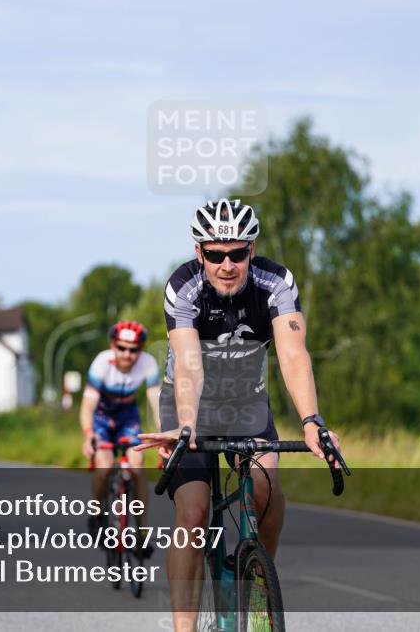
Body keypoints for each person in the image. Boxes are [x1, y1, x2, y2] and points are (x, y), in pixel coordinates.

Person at [137, 198, 342, 632]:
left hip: (246, 401)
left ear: (253, 249)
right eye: (215, 255)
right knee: (194, 513)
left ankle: (258, 579)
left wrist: (312, 421)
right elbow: (188, 363)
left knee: (265, 485)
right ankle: (184, 628)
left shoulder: (276, 282)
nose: (227, 265)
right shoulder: (183, 286)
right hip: (189, 403)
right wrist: (186, 426)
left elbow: (293, 354)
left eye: (237, 253)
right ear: (199, 253)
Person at [79, 321, 161, 537]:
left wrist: (162, 436)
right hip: (101, 417)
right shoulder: (101, 363)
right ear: (113, 345)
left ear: (140, 349)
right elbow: (87, 406)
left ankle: (141, 531)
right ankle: (97, 512)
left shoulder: (148, 363)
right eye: (122, 348)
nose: (127, 354)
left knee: (137, 464)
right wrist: (88, 434)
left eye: (133, 350)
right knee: (104, 465)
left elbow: (156, 404)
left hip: (127, 417)